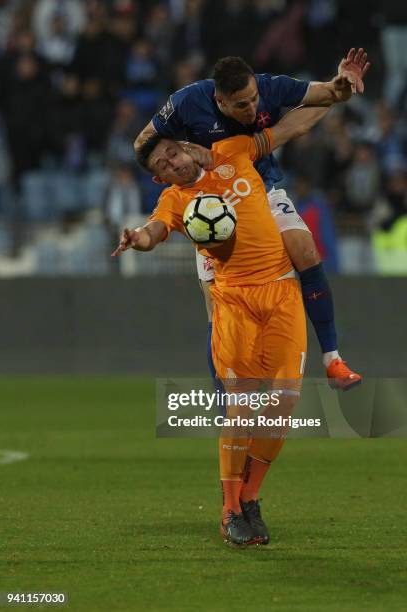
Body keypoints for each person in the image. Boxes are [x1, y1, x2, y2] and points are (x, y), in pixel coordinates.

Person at [113, 105, 332, 546]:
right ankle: (231, 509)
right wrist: (139, 238)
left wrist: (331, 95)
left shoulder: (234, 152)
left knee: (285, 401)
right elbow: (156, 230)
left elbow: (289, 128)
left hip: (282, 291)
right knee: (241, 404)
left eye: (173, 152)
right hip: (233, 302)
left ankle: (250, 498)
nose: (173, 162)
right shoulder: (174, 201)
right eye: (162, 165)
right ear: (158, 178)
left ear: (185, 147)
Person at [134, 49, 370, 390]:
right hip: (209, 207)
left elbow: (329, 94)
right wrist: (180, 155)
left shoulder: (270, 88)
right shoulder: (186, 103)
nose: (254, 109)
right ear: (219, 101)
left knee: (305, 250)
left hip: (257, 188)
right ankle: (226, 405)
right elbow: (142, 143)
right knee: (217, 311)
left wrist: (343, 82)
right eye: (241, 105)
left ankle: (332, 359)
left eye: (254, 99)